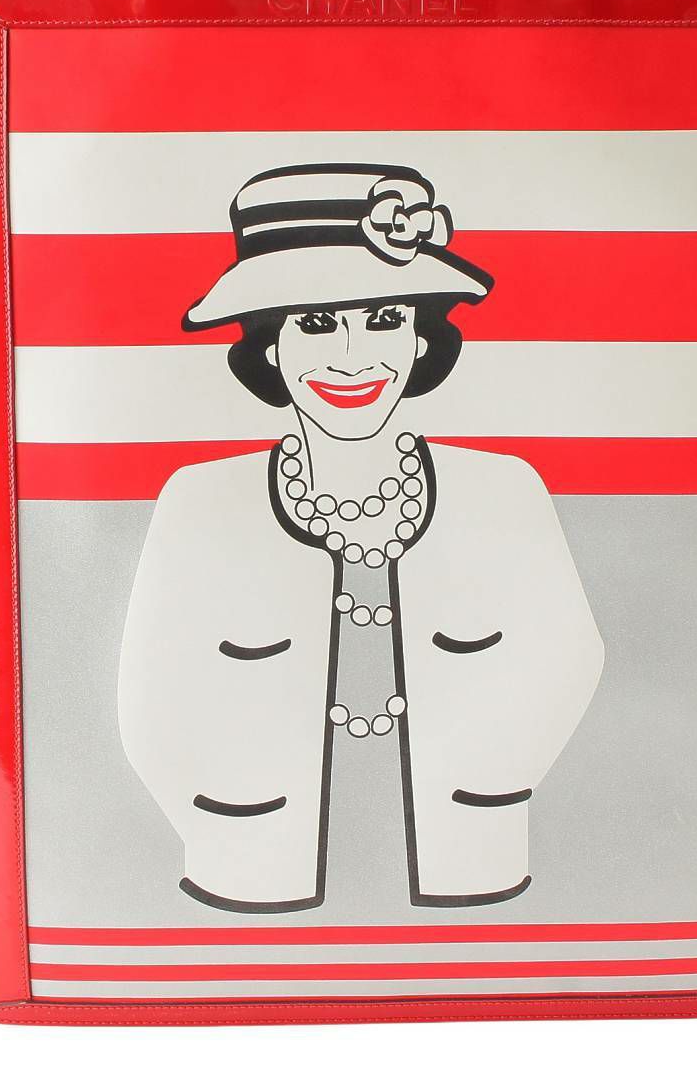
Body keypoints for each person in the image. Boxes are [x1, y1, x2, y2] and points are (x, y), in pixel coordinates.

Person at [118, 163, 604, 911]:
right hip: (245, 880)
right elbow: (152, 705)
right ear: (269, 347)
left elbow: (570, 660)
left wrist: (494, 785)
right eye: (315, 323)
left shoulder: (505, 490)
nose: (354, 356)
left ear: (420, 341)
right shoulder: (198, 501)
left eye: (384, 319)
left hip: (475, 870)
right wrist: (225, 828)